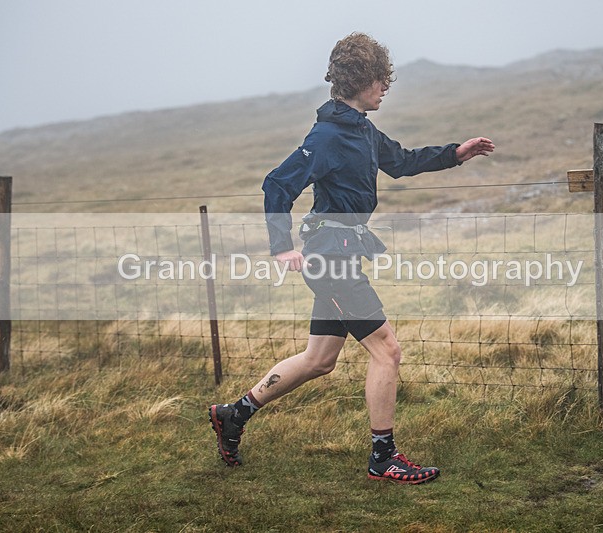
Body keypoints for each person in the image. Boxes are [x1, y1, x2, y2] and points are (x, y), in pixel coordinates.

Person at [209, 32, 495, 484]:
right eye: (380, 79)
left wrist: (455, 154)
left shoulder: (362, 128)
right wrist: (281, 245)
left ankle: (233, 413)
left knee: (319, 359)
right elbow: (277, 185)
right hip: (329, 256)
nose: (386, 86)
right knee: (387, 350)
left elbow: (400, 161)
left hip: (343, 251)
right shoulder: (326, 136)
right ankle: (383, 457)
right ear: (361, 79)